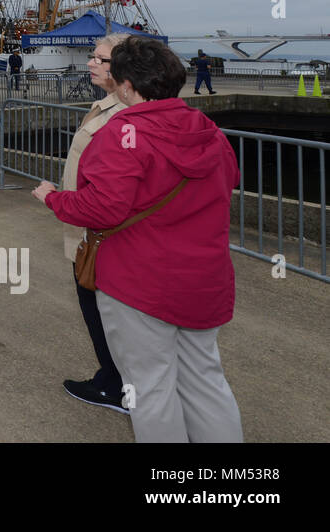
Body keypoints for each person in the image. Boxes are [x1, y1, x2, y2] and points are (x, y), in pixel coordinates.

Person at [33, 36, 243, 442]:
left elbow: (102, 207)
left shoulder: (124, 132)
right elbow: (226, 185)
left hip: (139, 282)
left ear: (127, 85)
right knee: (206, 381)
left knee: (150, 388)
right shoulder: (211, 133)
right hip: (203, 279)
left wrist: (54, 199)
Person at [41, 34, 132, 414]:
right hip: (85, 228)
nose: (91, 63)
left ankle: (117, 386)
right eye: (93, 57)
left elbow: (114, 189)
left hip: (101, 232)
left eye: (101, 59)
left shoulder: (123, 116)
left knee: (104, 312)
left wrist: (56, 199)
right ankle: (113, 378)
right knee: (96, 308)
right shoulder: (104, 106)